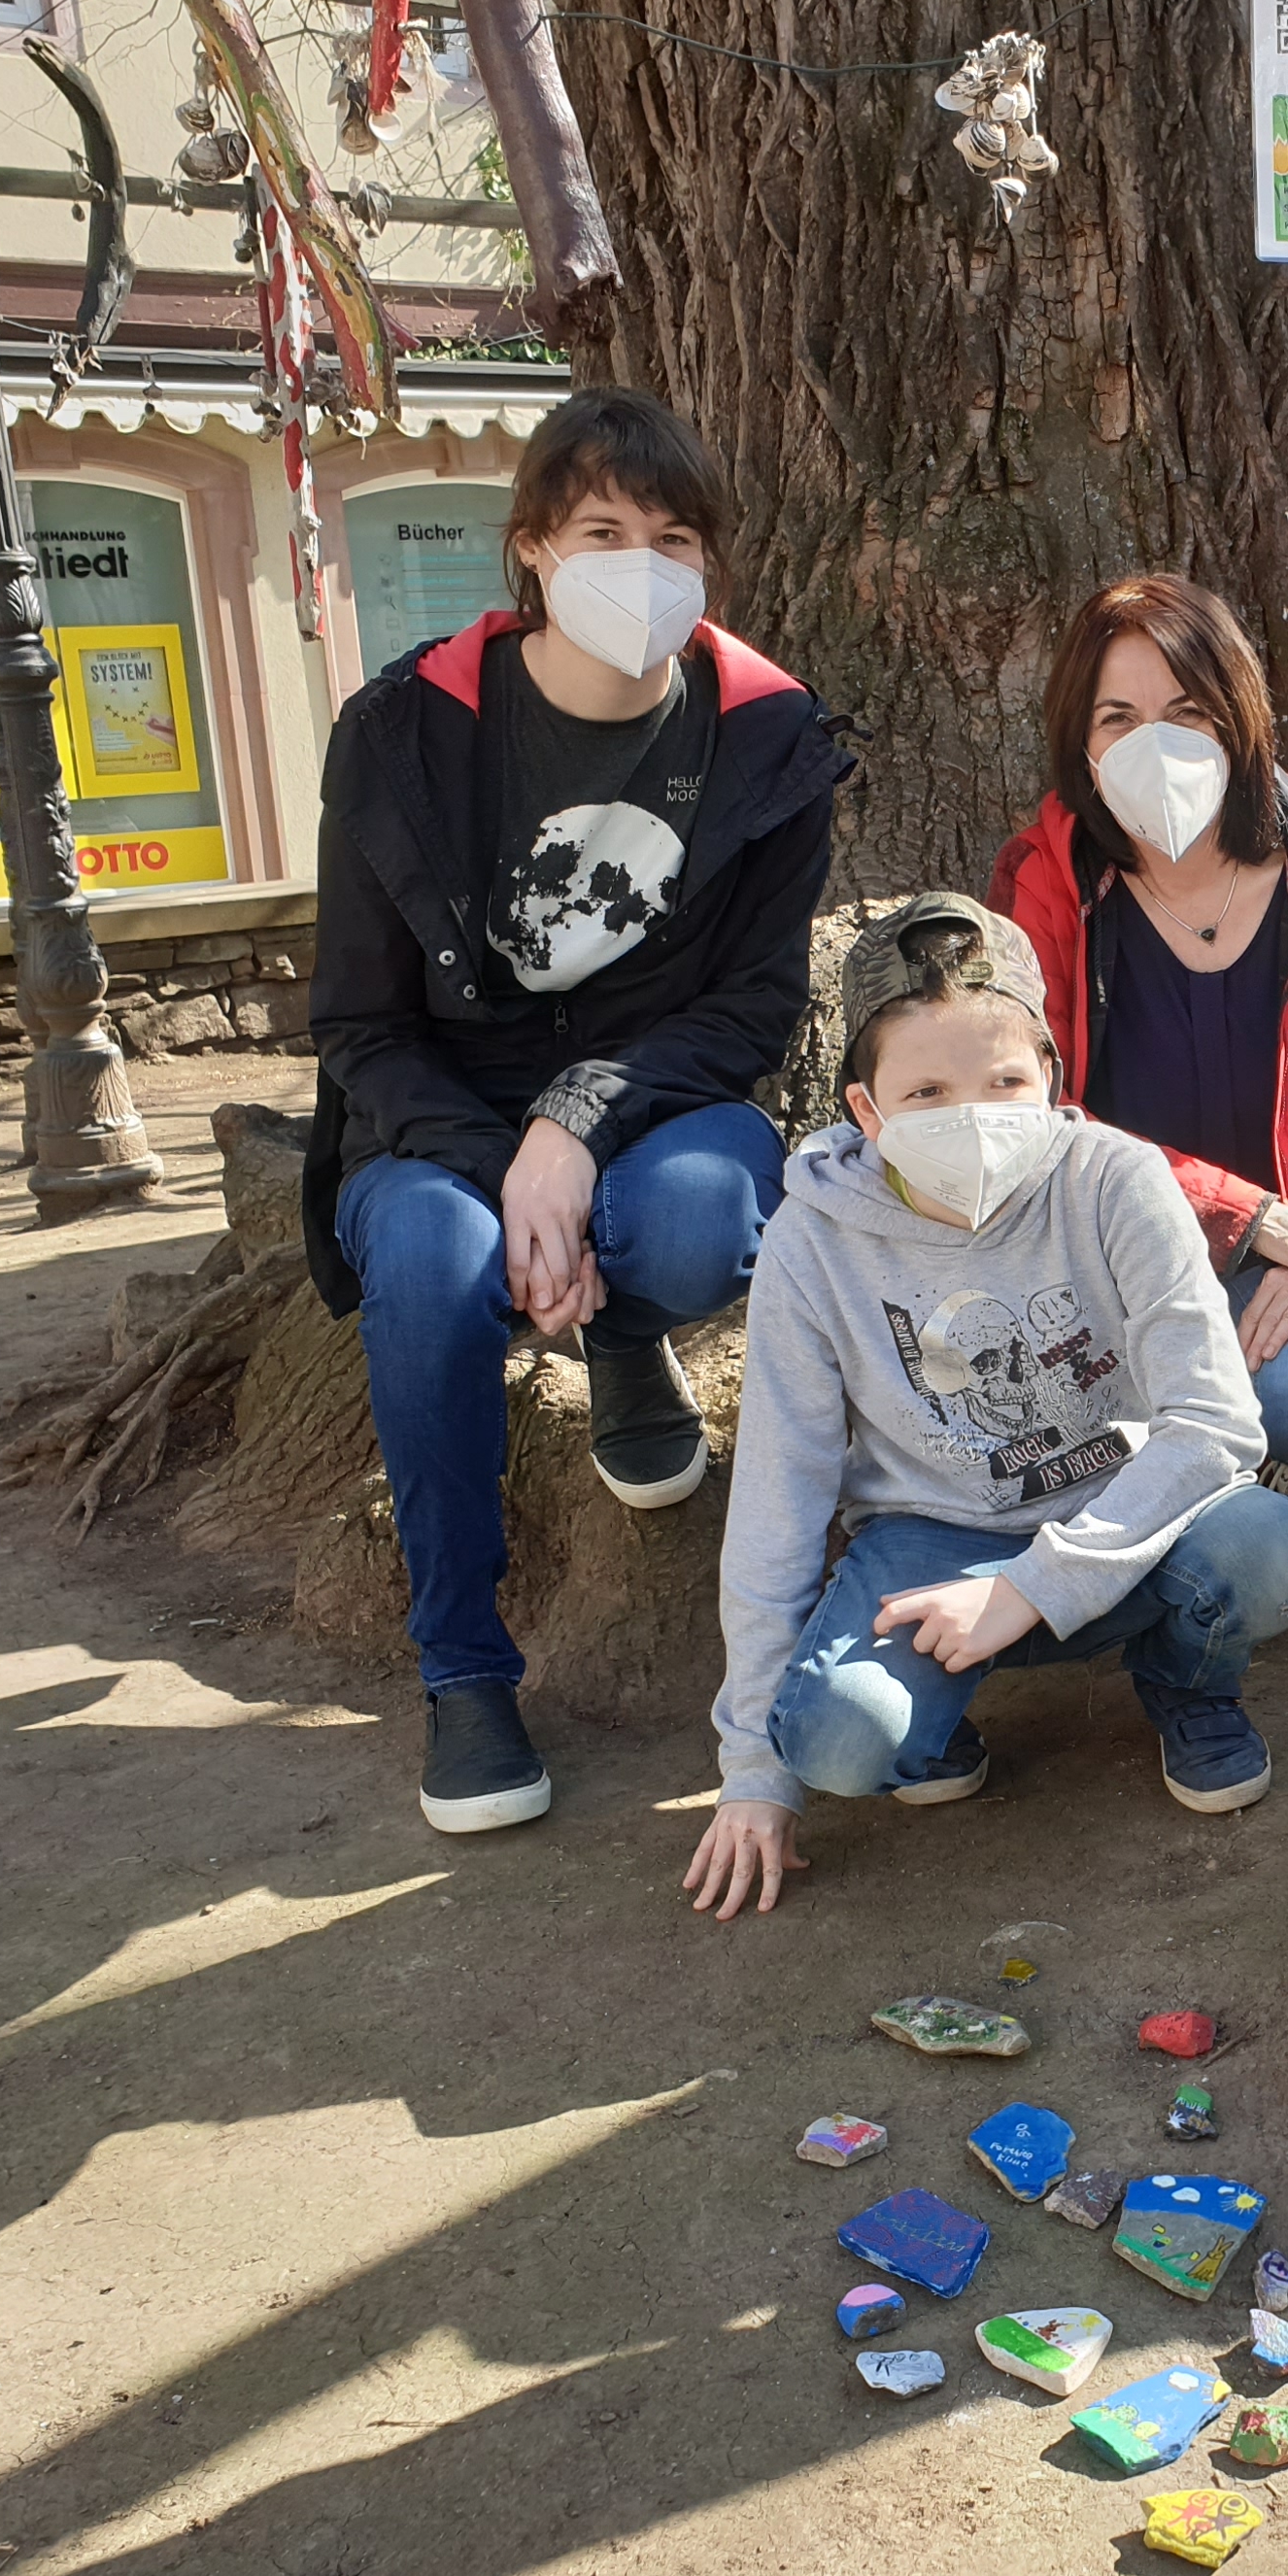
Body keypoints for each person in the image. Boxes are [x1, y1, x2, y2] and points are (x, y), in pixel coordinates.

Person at [305, 386, 846, 1837]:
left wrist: (575, 1129)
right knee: (434, 1263)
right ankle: (464, 1670)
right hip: (434, 1119)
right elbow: (359, 1023)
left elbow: (750, 1008)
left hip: (659, 1106)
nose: (641, 565)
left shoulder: (770, 740)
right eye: (603, 530)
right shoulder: (403, 734)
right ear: (534, 546)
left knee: (700, 1221)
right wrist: (507, 1166)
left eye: (675, 537)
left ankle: (619, 1334)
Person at [682, 894, 1288, 1918]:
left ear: (1051, 1078)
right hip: (933, 1538)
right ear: (866, 1111)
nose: (973, 1115)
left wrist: (1035, 1586)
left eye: (1004, 1082)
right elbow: (778, 1495)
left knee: (1273, 1551)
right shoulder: (810, 1242)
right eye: (926, 1092)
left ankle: (1186, 1679)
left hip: (1126, 1512)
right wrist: (754, 1771)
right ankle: (937, 1716)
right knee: (838, 1744)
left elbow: (1214, 1425)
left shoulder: (1116, 1180)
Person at [989, 574, 1288, 1559]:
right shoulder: (1048, 883)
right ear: (1081, 742)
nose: (1153, 746)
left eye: (1186, 713)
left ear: (1237, 720)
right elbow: (1033, 1117)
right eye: (1118, 719)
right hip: (1114, 1268)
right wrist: (1247, 1218)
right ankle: (1190, 1467)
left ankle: (1270, 1457)